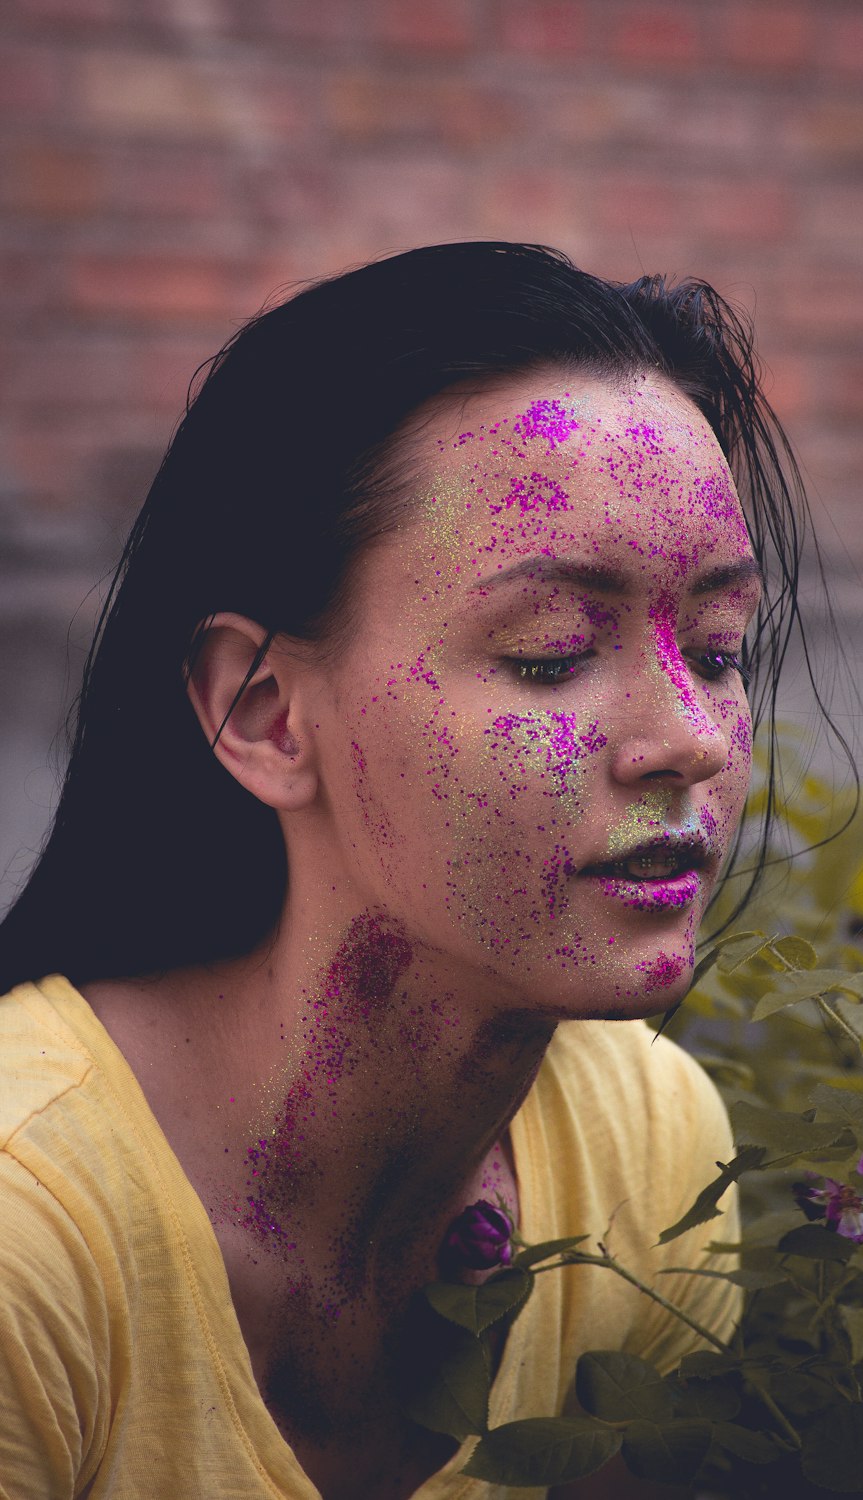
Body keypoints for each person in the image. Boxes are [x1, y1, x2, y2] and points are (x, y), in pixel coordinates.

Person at [0, 241, 820, 1499]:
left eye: (717, 647)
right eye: (550, 655)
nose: (693, 739)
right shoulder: (28, 1232)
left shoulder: (649, 1142)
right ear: (267, 715)